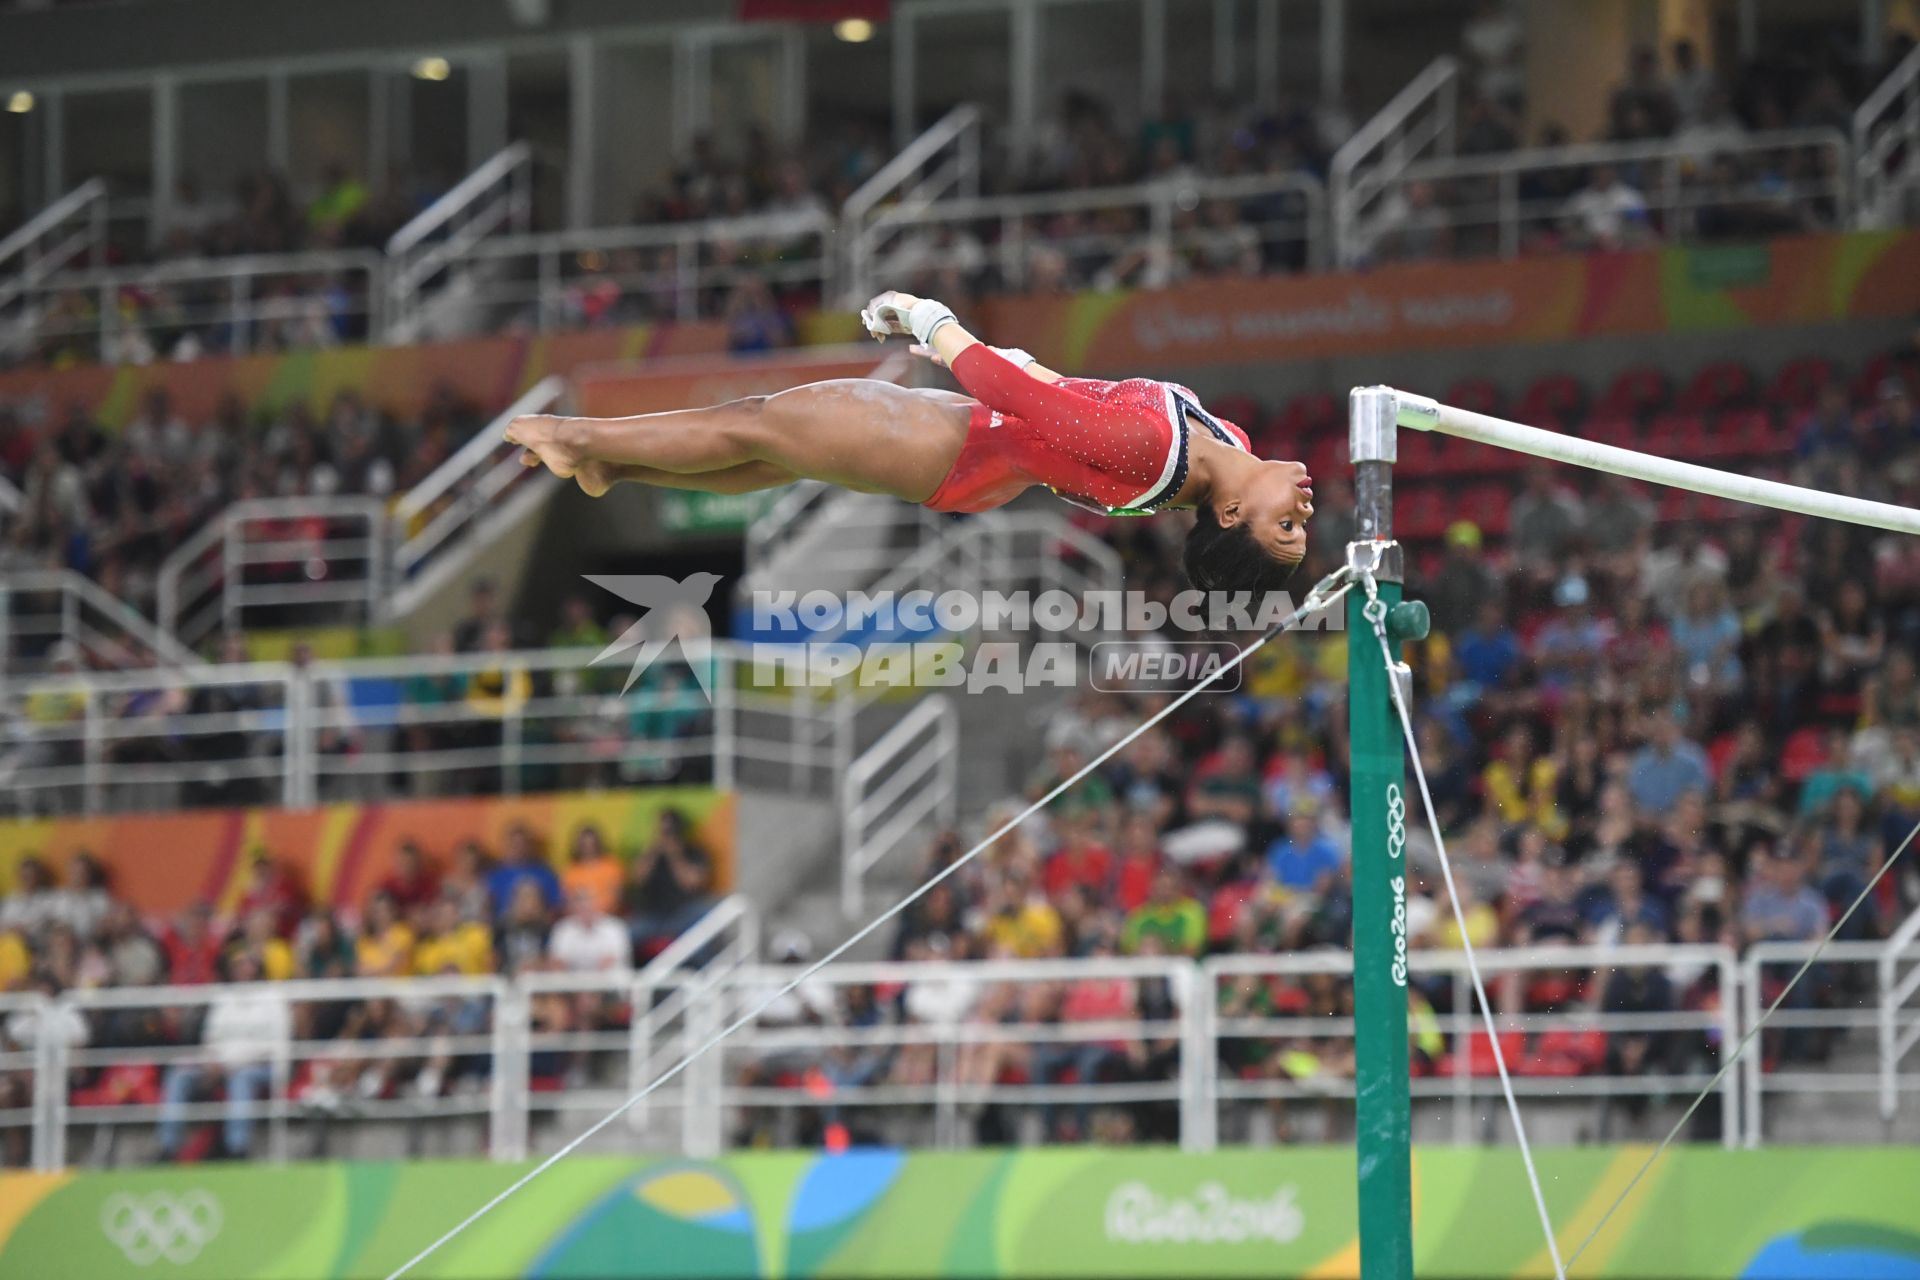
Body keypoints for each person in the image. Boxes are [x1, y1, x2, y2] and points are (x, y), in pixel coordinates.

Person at [506, 290, 1315, 597]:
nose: (1304, 509)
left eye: (1285, 526)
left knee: (758, 422)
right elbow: (1065, 402)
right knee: (776, 451)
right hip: (980, 453)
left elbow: (1016, 397)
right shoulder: (1226, 440)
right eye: (1301, 527)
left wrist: (937, 322)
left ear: (1234, 509)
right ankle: (614, 464)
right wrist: (1023, 368)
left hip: (964, 444)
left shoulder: (1156, 453)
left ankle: (576, 436)